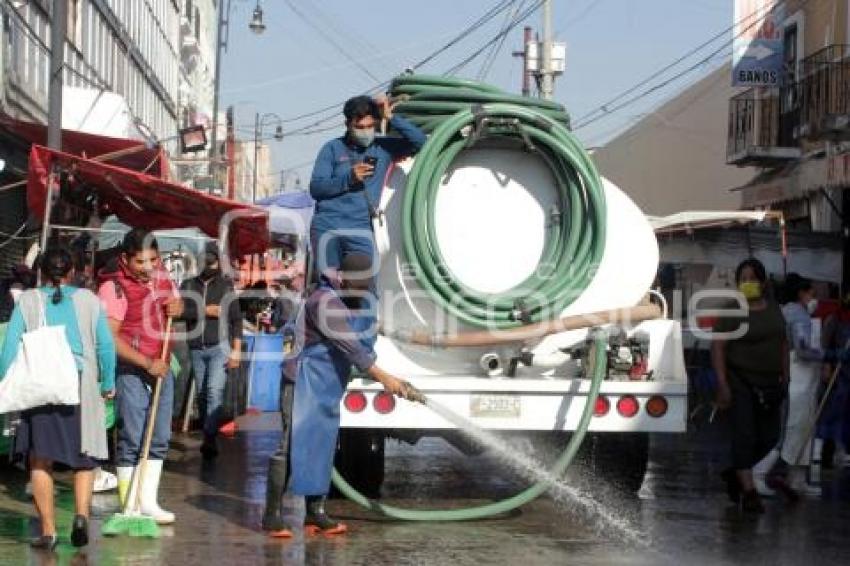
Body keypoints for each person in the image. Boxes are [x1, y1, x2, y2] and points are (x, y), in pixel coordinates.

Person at [261, 253, 421, 538]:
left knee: (322, 443)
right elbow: (351, 347)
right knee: (289, 445)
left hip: (325, 383)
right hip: (301, 380)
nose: (363, 289)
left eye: (366, 284)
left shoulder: (350, 296)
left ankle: (315, 512)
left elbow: (361, 339)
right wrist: (385, 378)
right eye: (359, 284)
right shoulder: (324, 301)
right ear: (343, 278)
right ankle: (272, 515)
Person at [0, 247, 116, 549]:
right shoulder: (89, 300)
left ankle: (49, 532)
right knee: (84, 458)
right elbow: (105, 345)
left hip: (41, 385)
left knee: (40, 460)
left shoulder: (28, 300)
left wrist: (6, 382)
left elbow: (10, 347)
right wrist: (108, 381)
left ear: (41, 272)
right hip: (79, 383)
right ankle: (80, 516)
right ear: (73, 271)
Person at [97, 229, 183, 524]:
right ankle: (128, 505)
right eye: (141, 262)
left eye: (153, 260)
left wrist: (178, 306)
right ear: (125, 259)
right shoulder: (113, 288)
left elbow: (176, 304)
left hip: (162, 366)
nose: (148, 268)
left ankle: (148, 503)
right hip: (133, 368)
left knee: (159, 437)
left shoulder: (162, 277)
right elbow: (110, 338)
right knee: (132, 437)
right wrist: (147, 363)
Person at [309, 94, 427, 274]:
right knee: (329, 288)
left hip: (361, 228)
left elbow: (420, 142)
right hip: (328, 226)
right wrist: (349, 179)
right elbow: (316, 188)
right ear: (348, 125)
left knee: (365, 286)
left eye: (370, 126)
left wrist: (390, 117)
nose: (366, 131)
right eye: (360, 127)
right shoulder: (332, 148)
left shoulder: (383, 148)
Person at [712, 258, 789, 513]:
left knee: (769, 437)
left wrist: (786, 376)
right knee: (744, 435)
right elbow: (718, 347)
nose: (748, 283)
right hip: (740, 380)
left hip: (770, 383)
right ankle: (749, 491)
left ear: (763, 281)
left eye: (752, 279)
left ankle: (736, 471)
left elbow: (783, 343)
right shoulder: (731, 310)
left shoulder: (773, 308)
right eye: (743, 279)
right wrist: (722, 384)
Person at [180, 242, 242, 459]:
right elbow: (179, 312)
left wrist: (236, 351)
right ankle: (209, 434)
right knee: (202, 394)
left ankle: (209, 437)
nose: (210, 264)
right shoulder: (188, 285)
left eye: (213, 260)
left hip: (220, 347)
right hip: (196, 348)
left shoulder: (226, 286)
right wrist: (204, 310)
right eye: (207, 260)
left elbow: (236, 320)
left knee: (214, 391)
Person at [819, 293, 850, 469]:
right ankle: (827, 455)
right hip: (838, 374)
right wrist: (827, 366)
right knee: (833, 415)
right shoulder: (834, 319)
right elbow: (824, 345)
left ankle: (843, 449)